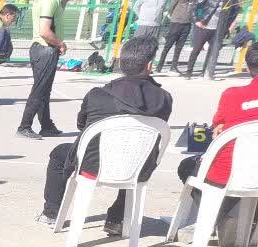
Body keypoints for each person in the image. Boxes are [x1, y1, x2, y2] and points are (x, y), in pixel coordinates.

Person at [35, 36, 172, 234]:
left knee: (59, 154)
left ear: (121, 62)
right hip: (137, 167)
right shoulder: (164, 99)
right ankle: (117, 219)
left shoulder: (97, 94)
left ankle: (51, 212)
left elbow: (82, 126)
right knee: (138, 153)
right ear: (149, 65)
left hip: (92, 165)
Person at [176, 42, 258, 247]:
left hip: (232, 173)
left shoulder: (232, 95)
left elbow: (218, 126)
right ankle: (245, 221)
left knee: (188, 166)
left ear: (248, 67)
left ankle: (218, 216)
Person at [18, 0, 68, 139]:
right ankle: (24, 126)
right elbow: (44, 31)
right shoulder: (50, 1)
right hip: (45, 50)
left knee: (44, 90)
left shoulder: (56, 2)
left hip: (46, 50)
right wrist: (61, 44)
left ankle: (46, 126)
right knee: (40, 90)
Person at [157, 0, 199, 73]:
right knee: (168, 46)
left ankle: (174, 67)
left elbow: (195, 8)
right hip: (176, 22)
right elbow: (171, 6)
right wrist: (173, 16)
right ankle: (159, 66)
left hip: (187, 24)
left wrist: (192, 18)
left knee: (179, 47)